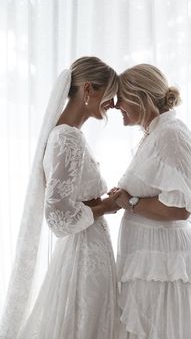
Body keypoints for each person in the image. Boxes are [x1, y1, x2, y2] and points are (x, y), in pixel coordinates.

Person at [0, 56, 120, 339]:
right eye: (111, 94)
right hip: (84, 251)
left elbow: (70, 201)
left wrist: (99, 202)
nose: (114, 104)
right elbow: (57, 215)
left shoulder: (68, 134)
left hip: (86, 247)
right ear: (89, 89)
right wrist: (107, 205)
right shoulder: (67, 138)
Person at [111, 64, 191, 339]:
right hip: (152, 262)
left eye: (121, 97)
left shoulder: (171, 134)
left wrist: (130, 202)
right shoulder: (156, 132)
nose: (115, 104)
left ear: (141, 96)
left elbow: (181, 208)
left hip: (166, 265)